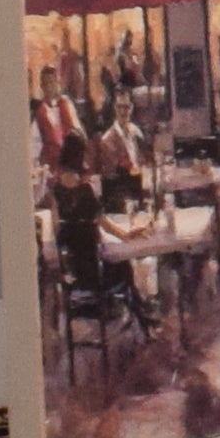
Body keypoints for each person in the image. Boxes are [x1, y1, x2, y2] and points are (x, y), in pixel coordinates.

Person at [52, 131, 158, 337]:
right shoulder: (85, 190)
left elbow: (58, 229)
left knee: (117, 264)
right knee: (124, 266)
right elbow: (105, 224)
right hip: (98, 276)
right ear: (80, 156)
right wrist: (127, 236)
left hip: (76, 276)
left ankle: (143, 316)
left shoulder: (56, 191)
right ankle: (144, 319)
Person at [31, 66, 85, 175]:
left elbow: (79, 131)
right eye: (46, 84)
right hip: (52, 168)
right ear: (42, 87)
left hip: (72, 164)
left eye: (52, 83)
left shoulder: (66, 104)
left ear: (57, 83)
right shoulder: (39, 114)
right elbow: (35, 147)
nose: (49, 87)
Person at [97, 87, 146, 182]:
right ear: (114, 108)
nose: (123, 112)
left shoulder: (136, 132)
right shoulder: (107, 140)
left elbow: (143, 160)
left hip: (140, 183)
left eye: (126, 107)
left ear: (132, 108)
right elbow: (115, 174)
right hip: (122, 188)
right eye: (119, 107)